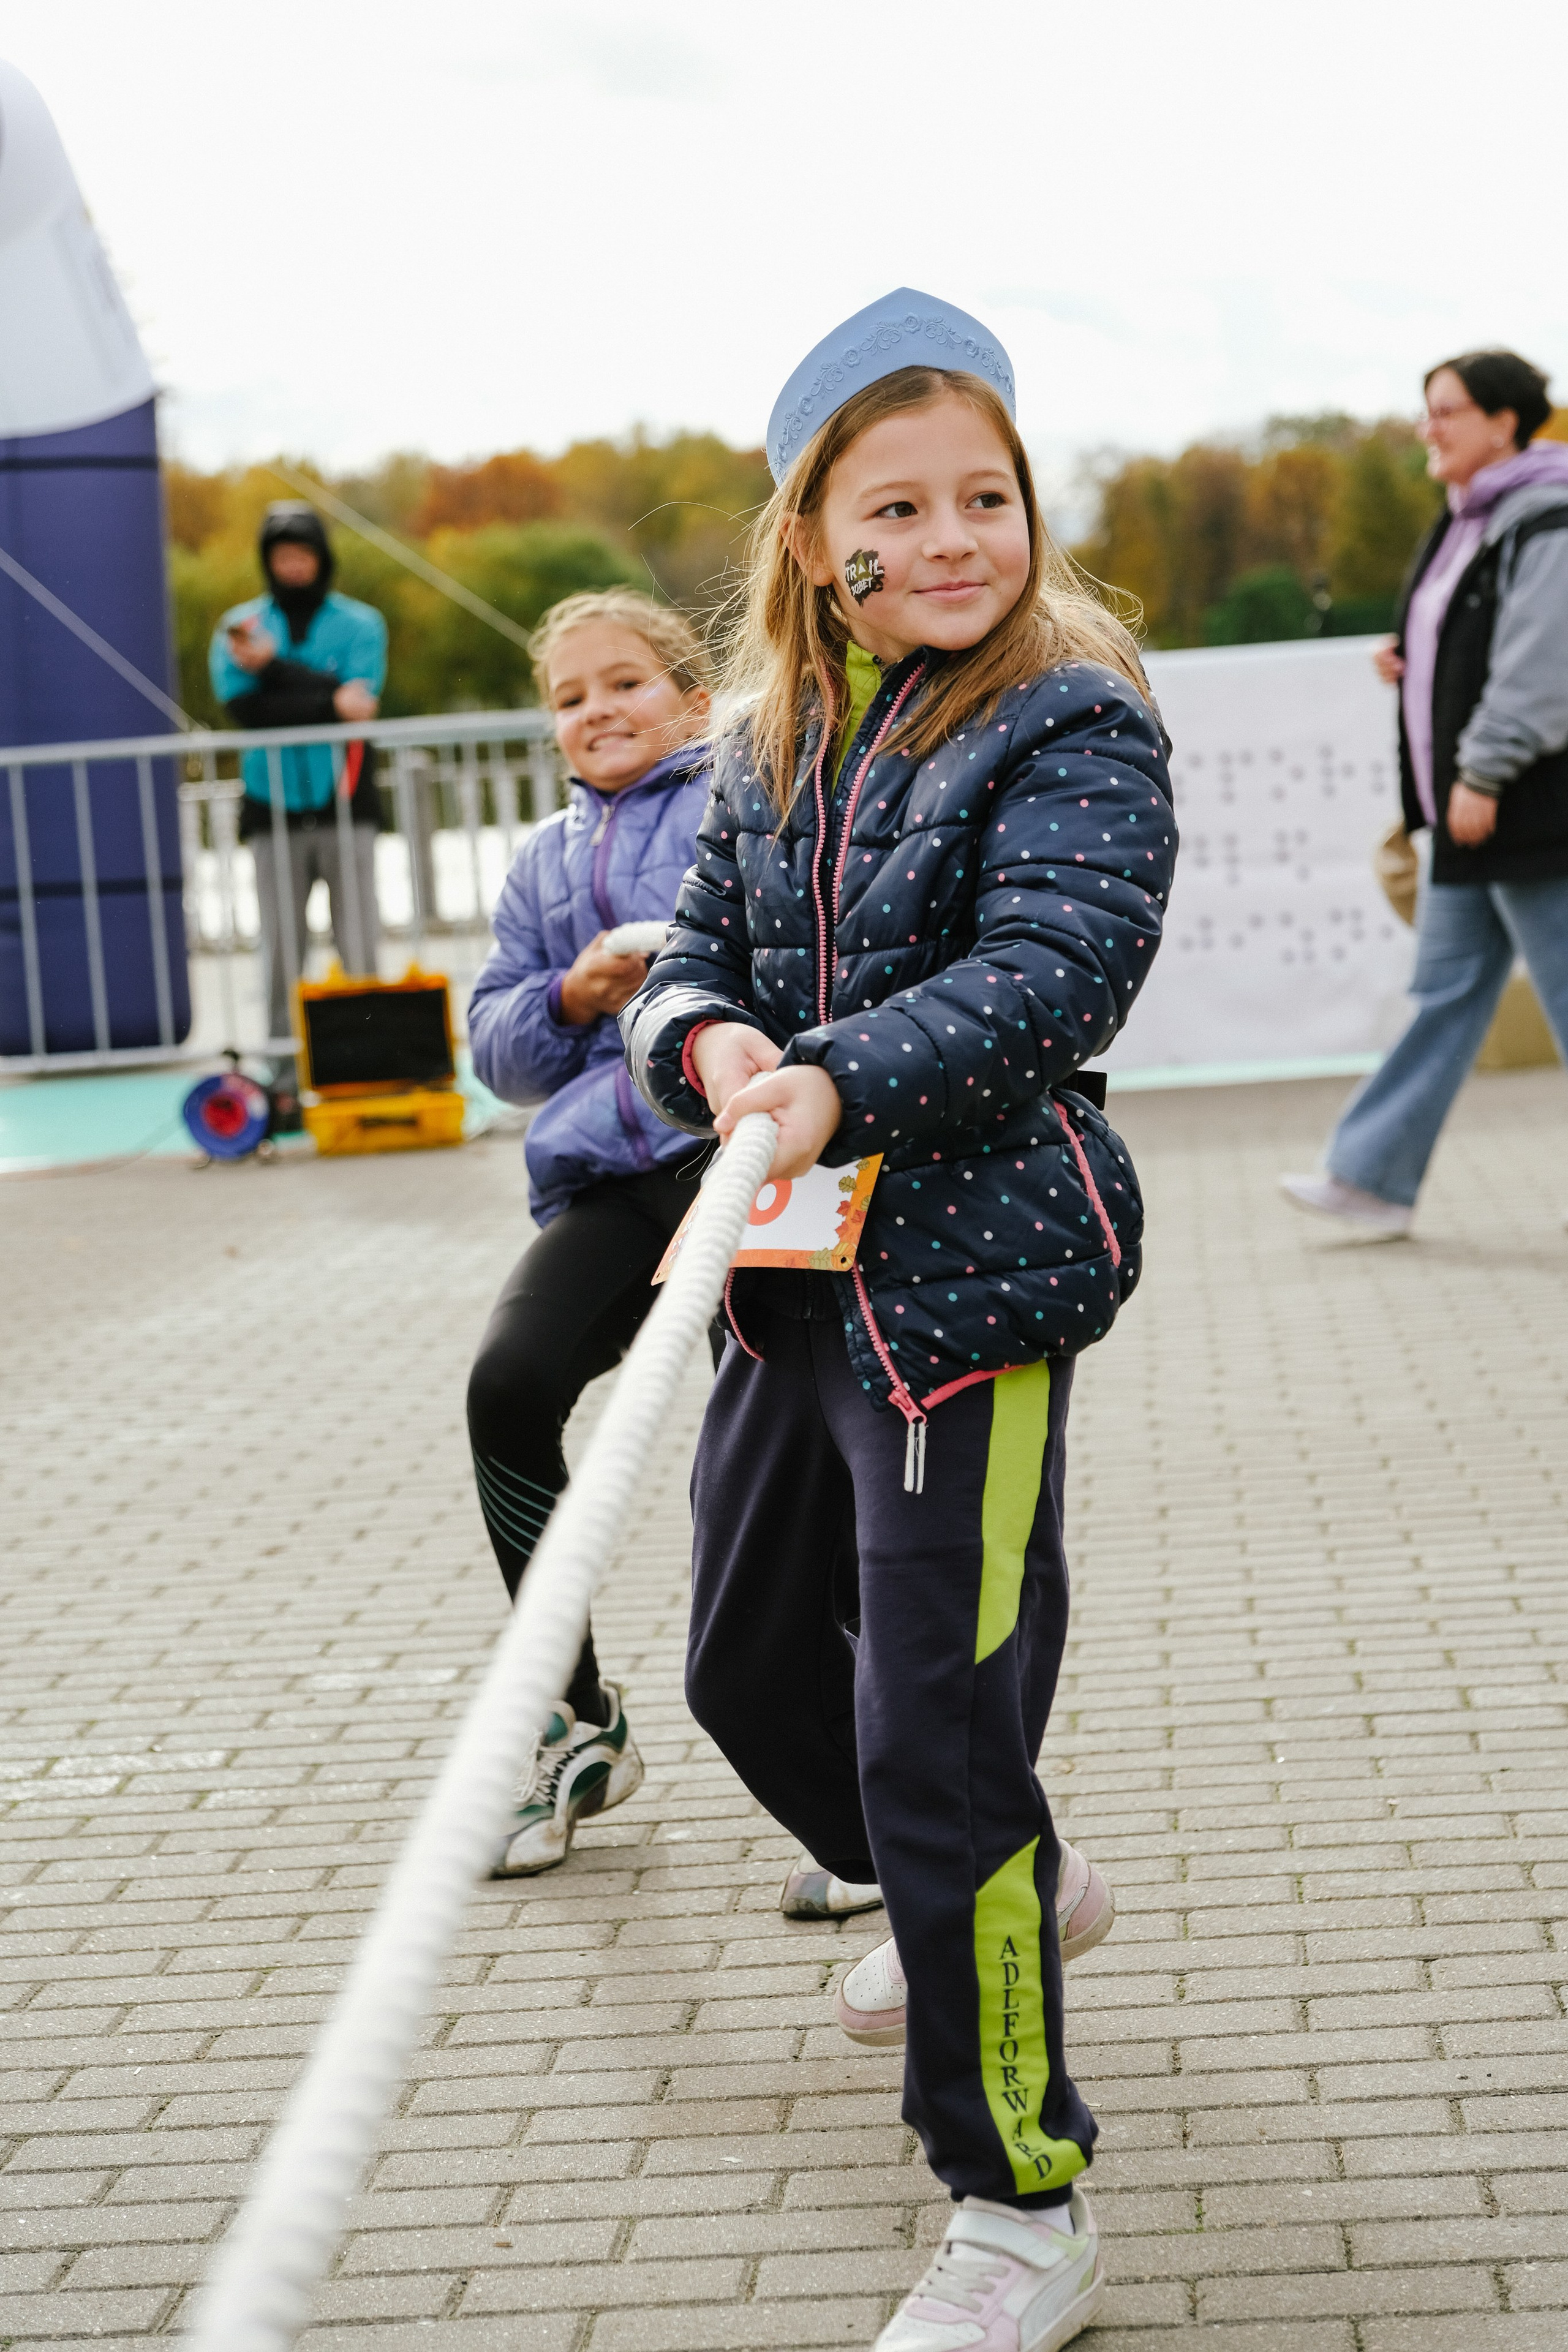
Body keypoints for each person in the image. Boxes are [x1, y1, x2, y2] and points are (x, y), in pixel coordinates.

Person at [621, 291, 1177, 2352]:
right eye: (898, 506)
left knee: (931, 1749)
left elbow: (1056, 968)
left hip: (971, 1297)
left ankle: (1021, 2199)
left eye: (988, 496)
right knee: (739, 1665)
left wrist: (835, 1074)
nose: (951, 540)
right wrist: (717, 1043)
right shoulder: (775, 734)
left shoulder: (1074, 721)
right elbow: (690, 956)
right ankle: (991, 1886)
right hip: (796, 1291)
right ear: (809, 534)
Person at [1281, 350, 1568, 1236]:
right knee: (1443, 995)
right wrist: (1410, 659)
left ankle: (1371, 1174)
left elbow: (1544, 664)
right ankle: (1371, 1179)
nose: (1428, 428)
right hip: (1470, 816)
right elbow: (1476, 637)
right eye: (1427, 410)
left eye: (1446, 410)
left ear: (1505, 422)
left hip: (1523, 805)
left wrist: (1482, 770)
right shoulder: (1470, 516)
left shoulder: (1546, 513)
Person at [211, 503, 388, 1056]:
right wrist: (327, 696)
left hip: (345, 800)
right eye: (281, 555)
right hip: (272, 805)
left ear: (321, 558)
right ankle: (283, 1074)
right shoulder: (239, 626)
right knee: (281, 951)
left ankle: (370, 1059)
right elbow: (245, 711)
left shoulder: (362, 623)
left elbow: (361, 706)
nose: (292, 565)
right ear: (268, 562)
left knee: (359, 944)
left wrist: (272, 672)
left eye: (302, 553)